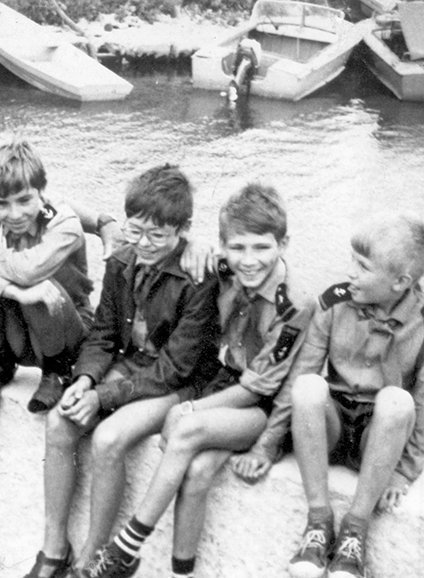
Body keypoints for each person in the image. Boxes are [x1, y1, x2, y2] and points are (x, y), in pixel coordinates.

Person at [83, 184, 314, 578]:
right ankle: (182, 572)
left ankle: (126, 547)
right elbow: (196, 251)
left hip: (259, 407)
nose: (248, 260)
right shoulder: (221, 267)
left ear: (284, 244)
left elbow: (258, 388)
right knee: (198, 472)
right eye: (237, 248)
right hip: (221, 387)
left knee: (186, 427)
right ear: (224, 246)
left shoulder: (293, 304)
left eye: (261, 248)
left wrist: (189, 408)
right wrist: (196, 246)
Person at [26, 164, 221, 578]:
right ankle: (54, 547)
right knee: (60, 422)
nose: (144, 244)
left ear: (183, 230)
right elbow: (103, 333)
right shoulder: (121, 261)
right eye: (136, 231)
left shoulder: (198, 277)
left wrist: (103, 396)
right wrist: (85, 380)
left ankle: (95, 557)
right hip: (132, 367)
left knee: (109, 438)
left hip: (178, 383)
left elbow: (176, 368)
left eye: (157, 235)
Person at [284, 214, 424, 578]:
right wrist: (267, 444)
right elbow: (300, 375)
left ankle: (355, 531)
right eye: (352, 261)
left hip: (376, 440)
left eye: (363, 267)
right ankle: (318, 523)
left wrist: (404, 473)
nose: (350, 273)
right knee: (308, 386)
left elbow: (423, 406)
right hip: (333, 428)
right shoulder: (335, 302)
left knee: (398, 401)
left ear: (400, 282)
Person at [0, 135, 91, 413]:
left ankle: (57, 371)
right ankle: (1, 362)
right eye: (2, 203)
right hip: (19, 330)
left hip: (68, 334)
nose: (14, 214)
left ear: (41, 191)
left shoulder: (63, 223)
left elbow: (29, 271)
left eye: (24, 200)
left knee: (38, 287)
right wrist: (13, 291)